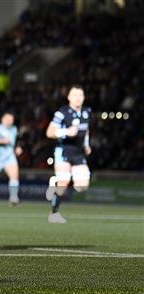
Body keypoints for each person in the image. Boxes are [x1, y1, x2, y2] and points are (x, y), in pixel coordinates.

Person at [45, 85, 92, 223]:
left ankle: (56, 181)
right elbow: (49, 132)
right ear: (69, 97)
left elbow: (87, 130)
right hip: (63, 150)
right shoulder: (62, 113)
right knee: (63, 183)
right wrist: (66, 132)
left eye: (81, 95)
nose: (78, 98)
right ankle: (54, 214)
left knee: (82, 186)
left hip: (78, 153)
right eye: (75, 95)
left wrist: (86, 145)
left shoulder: (87, 112)